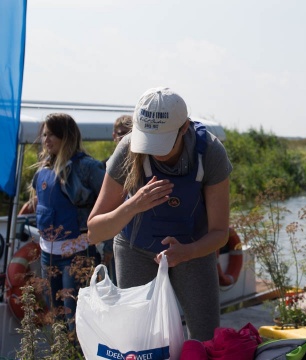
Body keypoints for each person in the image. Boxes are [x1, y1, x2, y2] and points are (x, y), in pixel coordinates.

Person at [87, 87, 233, 341]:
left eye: (163, 141)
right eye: (148, 140)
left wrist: (189, 251)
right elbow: (94, 231)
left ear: (184, 127)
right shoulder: (128, 149)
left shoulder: (210, 152)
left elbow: (220, 233)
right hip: (135, 248)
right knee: (137, 338)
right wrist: (133, 205)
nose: (154, 151)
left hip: (193, 250)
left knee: (207, 336)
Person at [24, 113, 105, 331]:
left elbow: (110, 202)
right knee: (58, 323)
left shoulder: (87, 167)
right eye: (44, 135)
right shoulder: (43, 170)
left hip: (77, 255)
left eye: (51, 134)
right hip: (49, 256)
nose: (46, 140)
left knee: (76, 322)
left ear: (65, 136)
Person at [100, 114, 133, 285]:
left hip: (133, 237)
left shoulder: (141, 164)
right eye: (121, 133)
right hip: (112, 234)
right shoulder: (106, 165)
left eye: (129, 133)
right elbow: (105, 208)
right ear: (114, 136)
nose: (124, 137)